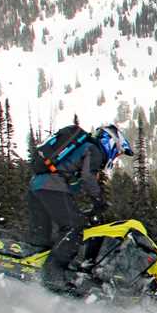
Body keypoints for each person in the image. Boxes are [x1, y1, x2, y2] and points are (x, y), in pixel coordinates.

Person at [28, 123, 133, 292]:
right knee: (74, 228)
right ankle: (52, 276)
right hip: (52, 185)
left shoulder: (83, 148)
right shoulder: (94, 150)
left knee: (41, 239)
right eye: (118, 152)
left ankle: (29, 269)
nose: (115, 157)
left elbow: (75, 182)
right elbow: (87, 178)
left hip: (37, 186)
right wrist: (99, 200)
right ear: (112, 143)